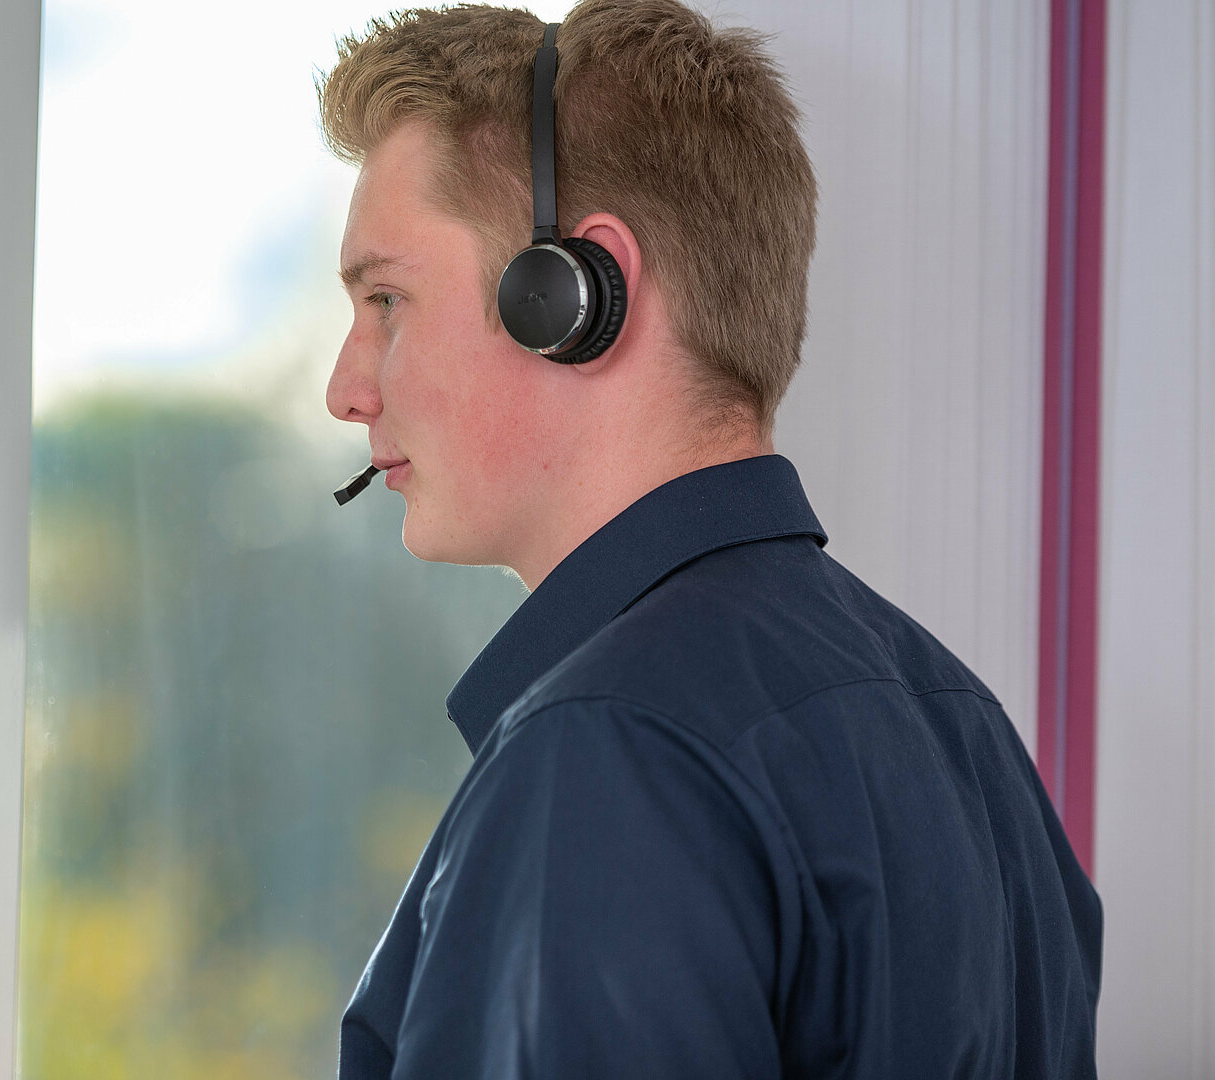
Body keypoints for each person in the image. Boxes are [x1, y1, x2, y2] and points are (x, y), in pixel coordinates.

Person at [317, 1, 1102, 1077]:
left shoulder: (607, 751)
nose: (344, 389)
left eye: (388, 300)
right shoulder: (967, 736)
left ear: (573, 294)